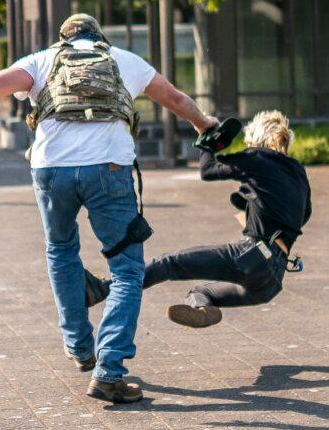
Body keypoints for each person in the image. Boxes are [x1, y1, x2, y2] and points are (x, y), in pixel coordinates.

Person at [0, 14, 217, 403]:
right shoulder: (125, 60)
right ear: (99, 38)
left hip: (51, 170)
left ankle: (79, 346)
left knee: (60, 250)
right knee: (126, 269)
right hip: (109, 169)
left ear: (64, 41)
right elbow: (175, 99)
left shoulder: (41, 61)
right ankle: (109, 371)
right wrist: (205, 125)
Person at [87, 110, 311, 328]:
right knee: (201, 293)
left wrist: (207, 143)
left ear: (255, 138)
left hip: (252, 256)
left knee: (169, 263)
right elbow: (304, 215)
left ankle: (102, 289)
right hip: (273, 278)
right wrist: (253, 206)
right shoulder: (297, 170)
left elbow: (208, 170)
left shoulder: (257, 157)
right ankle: (202, 309)